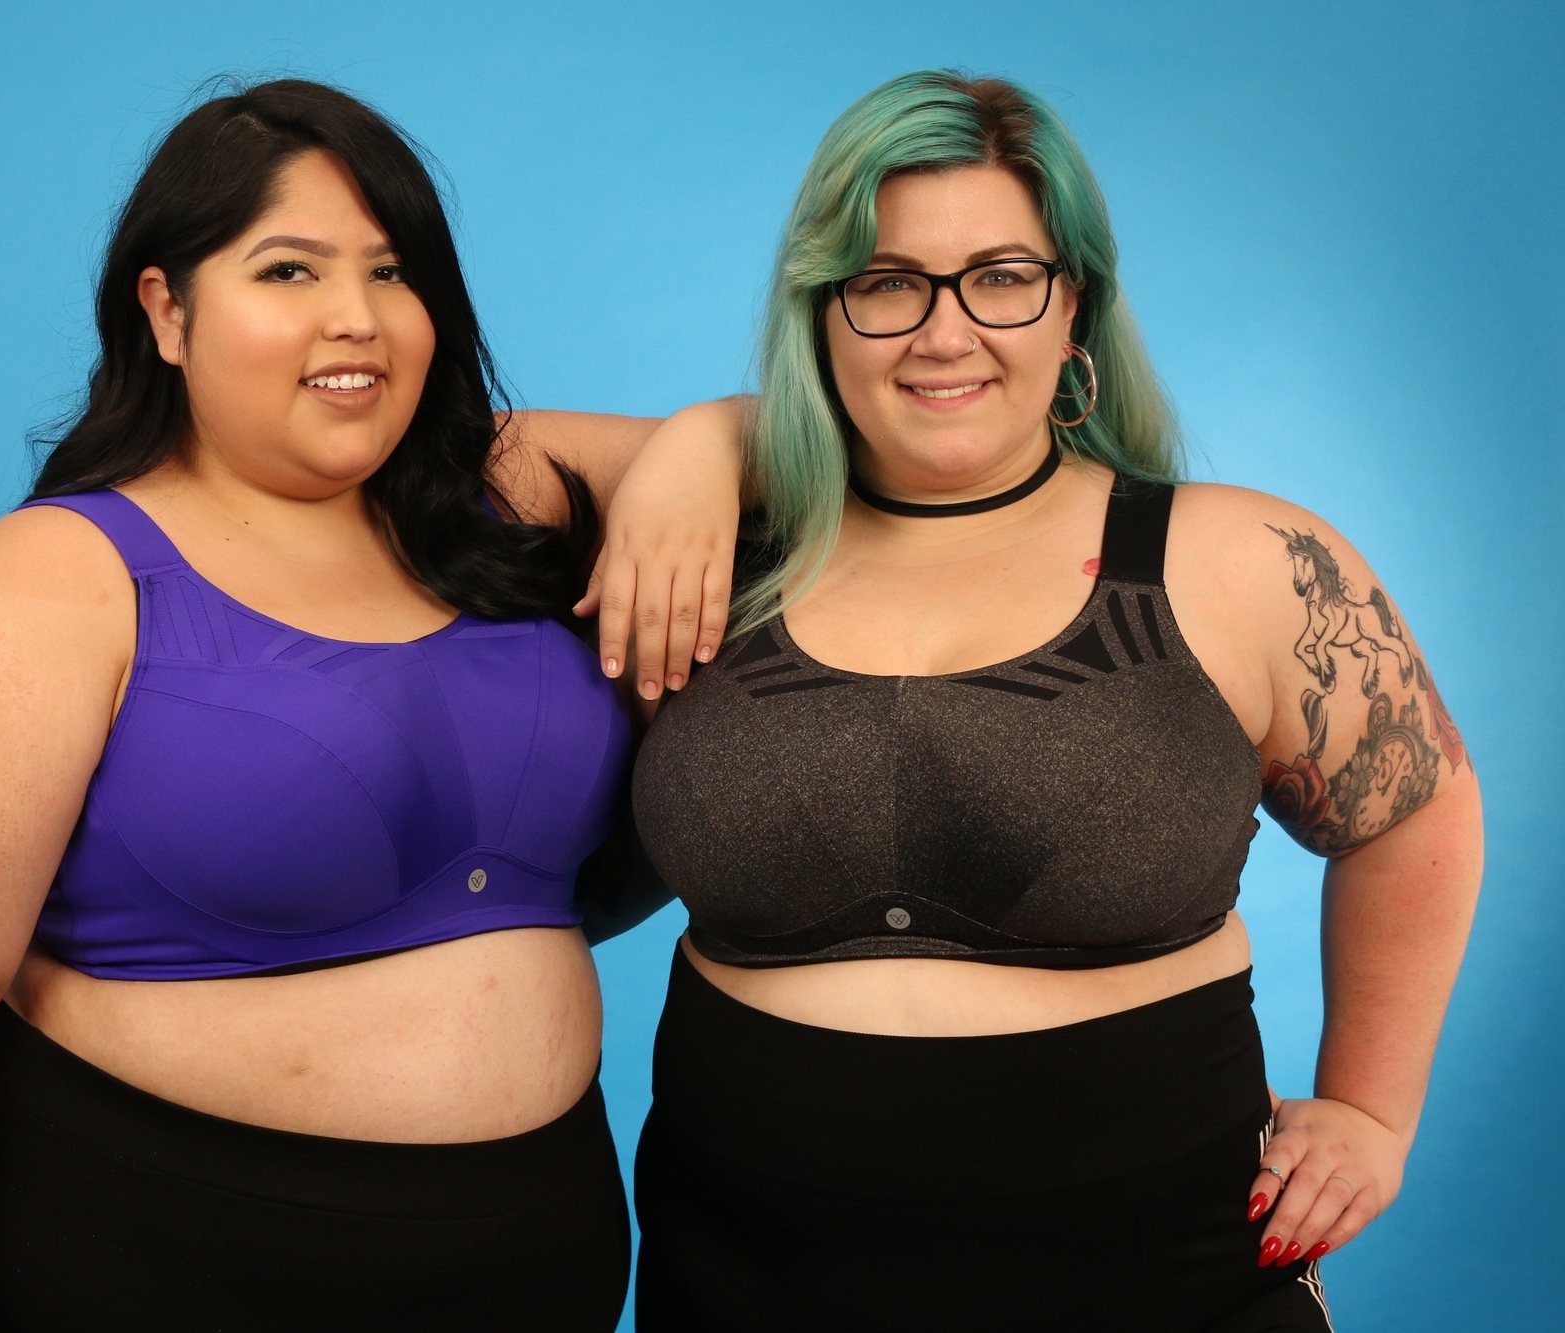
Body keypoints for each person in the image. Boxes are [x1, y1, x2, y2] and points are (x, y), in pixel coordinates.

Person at [0, 79, 705, 1331]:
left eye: (391, 272)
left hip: (536, 1260)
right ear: (167, 310)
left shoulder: (500, 487)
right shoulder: (58, 576)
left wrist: (701, 452)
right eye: (288, 270)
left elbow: (807, 452)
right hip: (167, 1257)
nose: (355, 317)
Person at [619, 70, 1483, 1329]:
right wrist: (699, 437)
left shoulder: (1236, 560)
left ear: (1072, 301)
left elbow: (1413, 811)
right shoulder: (707, 558)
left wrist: (1367, 1110)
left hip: (1160, 1283)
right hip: (740, 1276)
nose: (943, 333)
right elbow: (458, 457)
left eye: (1000, 276)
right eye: (885, 282)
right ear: (820, 309)